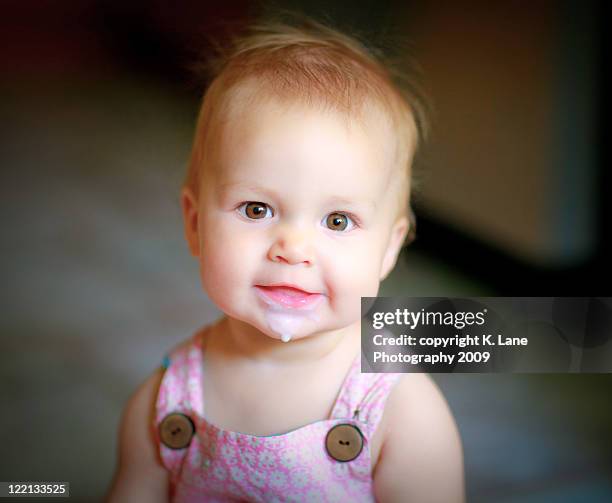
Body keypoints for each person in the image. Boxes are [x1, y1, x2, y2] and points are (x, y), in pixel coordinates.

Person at [107, 14, 464, 503]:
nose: (293, 249)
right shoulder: (169, 399)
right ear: (195, 224)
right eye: (257, 209)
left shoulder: (399, 410)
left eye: (337, 221)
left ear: (388, 248)